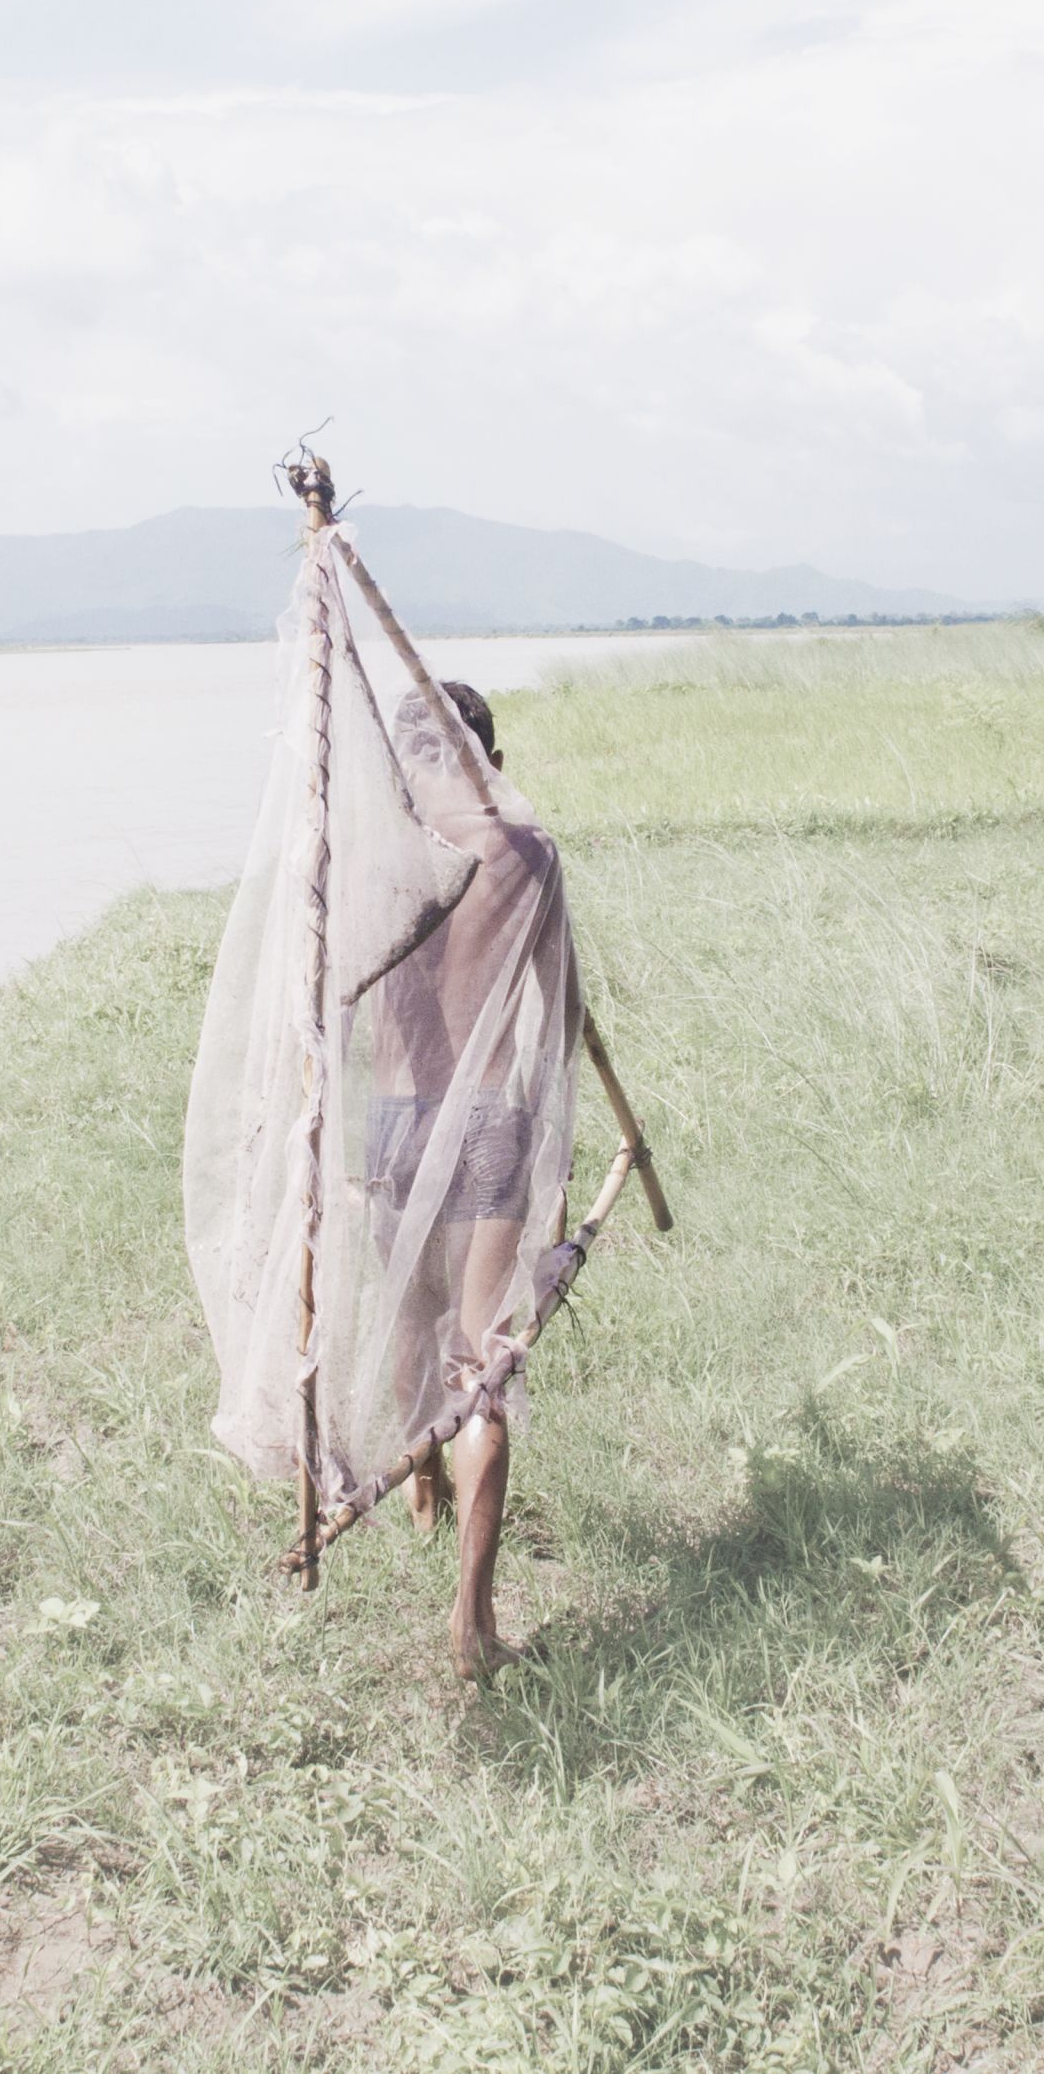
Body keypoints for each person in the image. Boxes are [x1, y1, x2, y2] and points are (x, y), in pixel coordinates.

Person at [362, 679, 579, 1678]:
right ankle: (471, 1626)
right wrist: (555, 1168)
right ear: (489, 755)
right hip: (488, 1120)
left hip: (394, 1120)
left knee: (416, 1322)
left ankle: (420, 1491)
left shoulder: (378, 857)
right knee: (480, 1362)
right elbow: (559, 1018)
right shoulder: (524, 853)